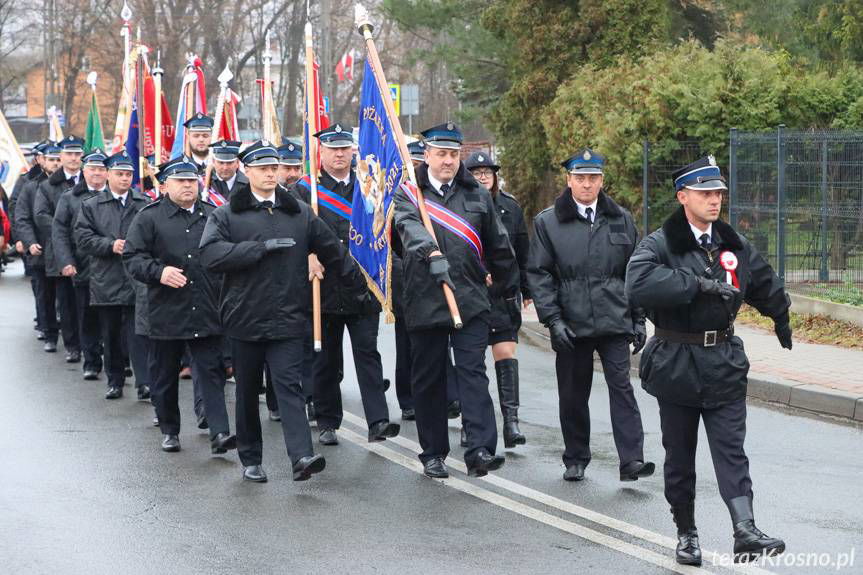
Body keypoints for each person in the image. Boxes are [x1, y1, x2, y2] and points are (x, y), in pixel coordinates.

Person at [625, 155, 791, 565]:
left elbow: (762, 280)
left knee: (731, 449)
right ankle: (686, 533)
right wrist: (696, 284)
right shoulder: (660, 244)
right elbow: (638, 283)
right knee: (680, 457)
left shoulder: (732, 243)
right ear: (683, 197)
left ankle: (745, 529)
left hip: (723, 361)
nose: (714, 200)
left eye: (718, 193)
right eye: (705, 193)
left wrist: (781, 314)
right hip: (676, 361)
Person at [199, 140, 361, 483]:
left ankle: (301, 456)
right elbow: (210, 255)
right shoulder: (227, 214)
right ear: (246, 171)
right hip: (244, 317)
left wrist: (360, 282)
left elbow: (331, 249)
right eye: (263, 168)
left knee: (290, 386)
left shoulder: (298, 212)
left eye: (274, 168)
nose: (271, 174)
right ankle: (251, 458)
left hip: (288, 315)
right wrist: (257, 249)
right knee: (247, 391)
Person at [393, 122, 516, 478]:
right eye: (441, 154)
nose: (447, 161)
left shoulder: (476, 194)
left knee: (473, 373)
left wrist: (503, 284)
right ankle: (433, 452)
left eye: (452, 154)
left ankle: (480, 449)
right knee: (429, 378)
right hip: (425, 297)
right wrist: (430, 252)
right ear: (427, 155)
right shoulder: (408, 193)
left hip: (470, 298)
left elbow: (498, 242)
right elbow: (408, 228)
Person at [527, 148, 653, 483]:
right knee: (573, 392)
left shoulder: (620, 218)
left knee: (622, 388)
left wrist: (639, 318)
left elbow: (635, 270)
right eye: (580, 178)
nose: (587, 184)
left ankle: (632, 460)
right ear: (568, 180)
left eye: (593, 178)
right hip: (572, 322)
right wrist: (553, 320)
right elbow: (539, 274)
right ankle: (576, 457)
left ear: (602, 180)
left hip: (614, 318)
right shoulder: (548, 222)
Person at [292, 124, 399, 447]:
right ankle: (327, 420)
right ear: (321, 152)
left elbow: (382, 230)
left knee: (368, 353)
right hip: (323, 287)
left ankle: (378, 421)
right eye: (333, 149)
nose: (339, 154)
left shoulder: (368, 186)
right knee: (325, 358)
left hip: (362, 284)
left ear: (353, 151)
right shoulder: (305, 190)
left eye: (344, 148)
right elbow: (292, 232)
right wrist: (306, 255)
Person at [123, 156, 236, 455]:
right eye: (180, 181)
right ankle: (170, 429)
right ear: (164, 186)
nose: (188, 185)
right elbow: (133, 257)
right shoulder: (148, 217)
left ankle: (219, 432)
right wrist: (159, 272)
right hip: (166, 309)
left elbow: (227, 252)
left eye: (191, 180)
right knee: (163, 374)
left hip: (207, 305)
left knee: (211, 371)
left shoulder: (213, 215)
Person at [464, 151, 528, 448]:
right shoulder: (460, 204)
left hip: (503, 292)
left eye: (487, 172)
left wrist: (527, 289)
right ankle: (472, 423)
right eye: (476, 172)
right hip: (471, 291)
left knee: (505, 352)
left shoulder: (510, 207)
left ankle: (511, 421)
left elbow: (523, 250)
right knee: (472, 362)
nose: (483, 177)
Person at [75, 150, 151, 400]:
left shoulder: (143, 203)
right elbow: (83, 238)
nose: (125, 179)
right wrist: (110, 245)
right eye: (120, 174)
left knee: (139, 333)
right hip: (106, 278)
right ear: (108, 175)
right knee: (110, 334)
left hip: (136, 278)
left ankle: (144, 382)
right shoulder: (92, 205)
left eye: (128, 174)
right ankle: (115, 380)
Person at [52, 148, 108, 380]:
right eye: (92, 168)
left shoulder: (116, 195)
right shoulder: (70, 198)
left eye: (101, 169)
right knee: (87, 317)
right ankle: (92, 362)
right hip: (84, 266)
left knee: (116, 319)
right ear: (84, 171)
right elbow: (59, 232)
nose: (96, 173)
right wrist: (66, 261)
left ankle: (120, 360)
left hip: (113, 268)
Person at [34, 135, 85, 360]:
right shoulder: (48, 186)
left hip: (88, 250)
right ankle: (73, 346)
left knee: (88, 302)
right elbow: (41, 215)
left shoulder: (91, 181)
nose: (73, 158)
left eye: (77, 154)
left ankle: (91, 345)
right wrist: (65, 229)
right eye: (69, 154)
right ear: (61, 156)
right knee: (66, 302)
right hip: (61, 250)